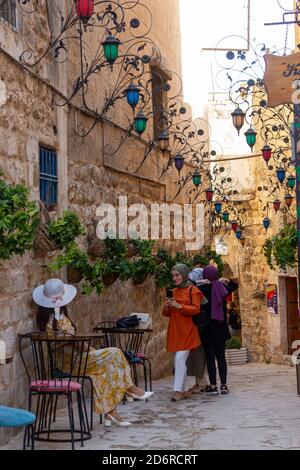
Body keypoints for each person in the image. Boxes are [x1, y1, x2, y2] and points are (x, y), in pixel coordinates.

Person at [33, 278, 153, 427]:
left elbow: (75, 342)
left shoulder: (55, 317)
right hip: (68, 363)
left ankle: (111, 412)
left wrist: (94, 352)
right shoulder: (54, 320)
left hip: (76, 359)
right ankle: (130, 389)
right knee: (115, 353)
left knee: (104, 369)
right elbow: (71, 340)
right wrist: (94, 352)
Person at [162, 264, 203, 402]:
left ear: (184, 275)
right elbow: (166, 314)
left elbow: (196, 309)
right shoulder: (173, 291)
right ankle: (185, 390)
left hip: (188, 330)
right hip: (175, 329)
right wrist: (167, 306)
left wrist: (180, 306)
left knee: (179, 359)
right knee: (177, 361)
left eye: (177, 275)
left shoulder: (194, 290)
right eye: (173, 276)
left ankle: (178, 391)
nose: (174, 278)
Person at [197, 265, 238, 396]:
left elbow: (191, 286)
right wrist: (225, 280)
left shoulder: (202, 289)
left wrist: (203, 282)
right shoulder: (222, 287)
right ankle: (224, 385)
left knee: (210, 359)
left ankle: (213, 385)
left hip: (207, 329)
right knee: (221, 357)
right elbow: (235, 285)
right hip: (221, 328)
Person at [186, 267, 209, 393]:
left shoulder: (197, 291)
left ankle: (201, 383)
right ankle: (200, 382)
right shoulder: (200, 289)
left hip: (198, 327)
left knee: (198, 355)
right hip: (201, 327)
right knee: (198, 355)